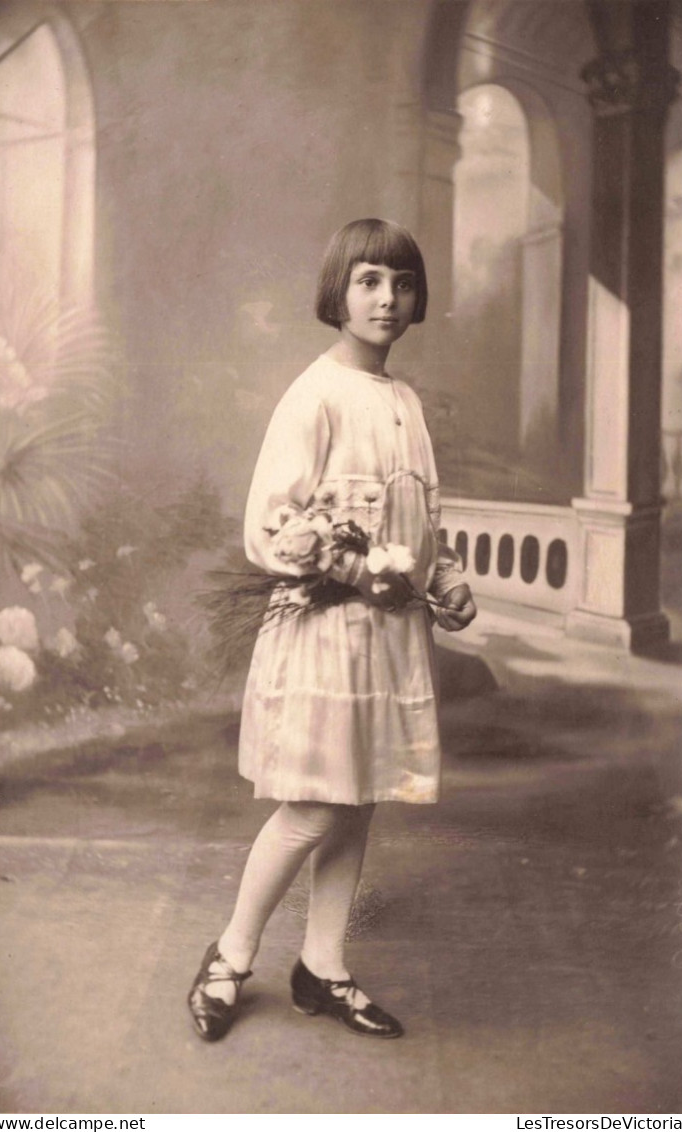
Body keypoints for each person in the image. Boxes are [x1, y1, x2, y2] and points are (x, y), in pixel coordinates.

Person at [188, 218, 477, 1042]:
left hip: (386, 639)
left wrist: (446, 580)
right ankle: (230, 956)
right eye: (369, 281)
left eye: (403, 284)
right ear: (338, 292)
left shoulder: (404, 400)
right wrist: (358, 571)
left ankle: (323, 966)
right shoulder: (314, 393)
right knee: (316, 805)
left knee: (357, 804)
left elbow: (424, 516)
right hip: (324, 633)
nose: (388, 299)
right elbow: (272, 524)